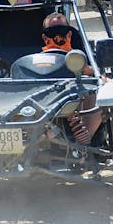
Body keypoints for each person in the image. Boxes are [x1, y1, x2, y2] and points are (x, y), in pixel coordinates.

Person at [40, 13, 101, 144]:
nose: (57, 36)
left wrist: (83, 68)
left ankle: (84, 144)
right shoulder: (36, 61)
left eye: (61, 31)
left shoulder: (80, 58)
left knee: (99, 93)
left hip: (75, 103)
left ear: (69, 34)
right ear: (44, 37)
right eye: (52, 32)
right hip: (43, 106)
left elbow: (97, 75)